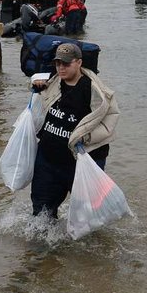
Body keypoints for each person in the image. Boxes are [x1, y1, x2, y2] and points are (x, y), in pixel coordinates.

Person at [30, 43, 119, 218]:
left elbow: (110, 121)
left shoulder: (95, 90)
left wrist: (86, 137)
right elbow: (35, 91)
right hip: (47, 161)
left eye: (66, 64)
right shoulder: (52, 81)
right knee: (41, 214)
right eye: (58, 64)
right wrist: (35, 85)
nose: (61, 68)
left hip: (81, 162)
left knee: (88, 216)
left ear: (78, 62)